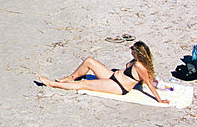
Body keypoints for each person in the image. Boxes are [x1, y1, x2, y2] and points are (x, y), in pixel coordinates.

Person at [40, 41, 168, 103]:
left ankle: (52, 84)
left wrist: (159, 100)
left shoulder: (140, 66)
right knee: (89, 61)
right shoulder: (136, 61)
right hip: (113, 77)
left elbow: (149, 84)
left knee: (85, 83)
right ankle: (70, 77)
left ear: (137, 53)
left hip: (119, 86)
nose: (131, 52)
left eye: (132, 50)